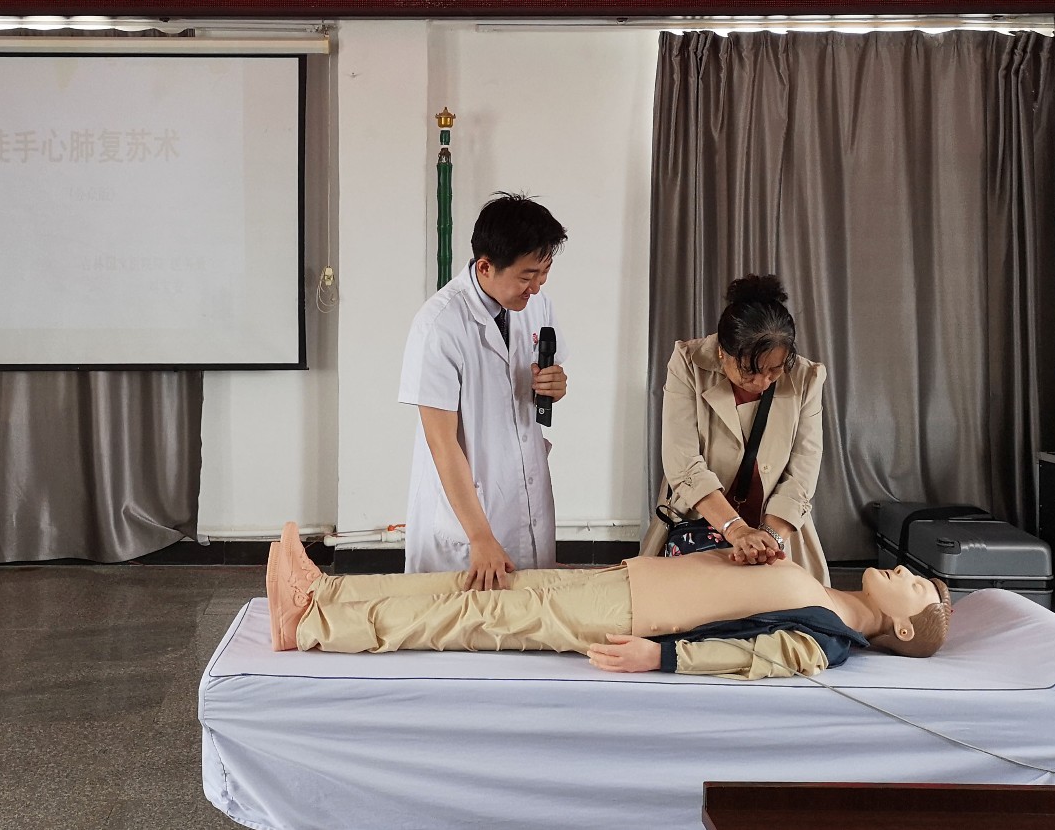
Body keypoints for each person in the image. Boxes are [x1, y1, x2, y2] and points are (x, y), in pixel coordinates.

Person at [265, 523, 950, 678]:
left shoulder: (827, 641)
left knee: (475, 616)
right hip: (630, 582)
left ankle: (312, 622)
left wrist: (663, 658)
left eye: (914, 586)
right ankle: (326, 590)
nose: (904, 570)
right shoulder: (822, 587)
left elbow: (748, 657)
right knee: (480, 587)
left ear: (900, 625)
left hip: (628, 616)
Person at [398, 193, 568, 588]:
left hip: (524, 492)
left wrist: (555, 386)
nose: (536, 287)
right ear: (486, 266)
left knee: (531, 613)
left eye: (544, 272)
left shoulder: (536, 306)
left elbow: (537, 384)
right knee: (458, 618)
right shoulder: (439, 325)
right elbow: (442, 443)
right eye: (527, 276)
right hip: (466, 519)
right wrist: (480, 536)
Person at [641, 274, 831, 583]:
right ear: (722, 351)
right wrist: (736, 529)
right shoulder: (689, 362)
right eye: (749, 371)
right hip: (699, 522)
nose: (762, 382)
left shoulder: (806, 377)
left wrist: (769, 540)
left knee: (787, 608)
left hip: (777, 531)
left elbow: (803, 470)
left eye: (775, 370)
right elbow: (683, 462)